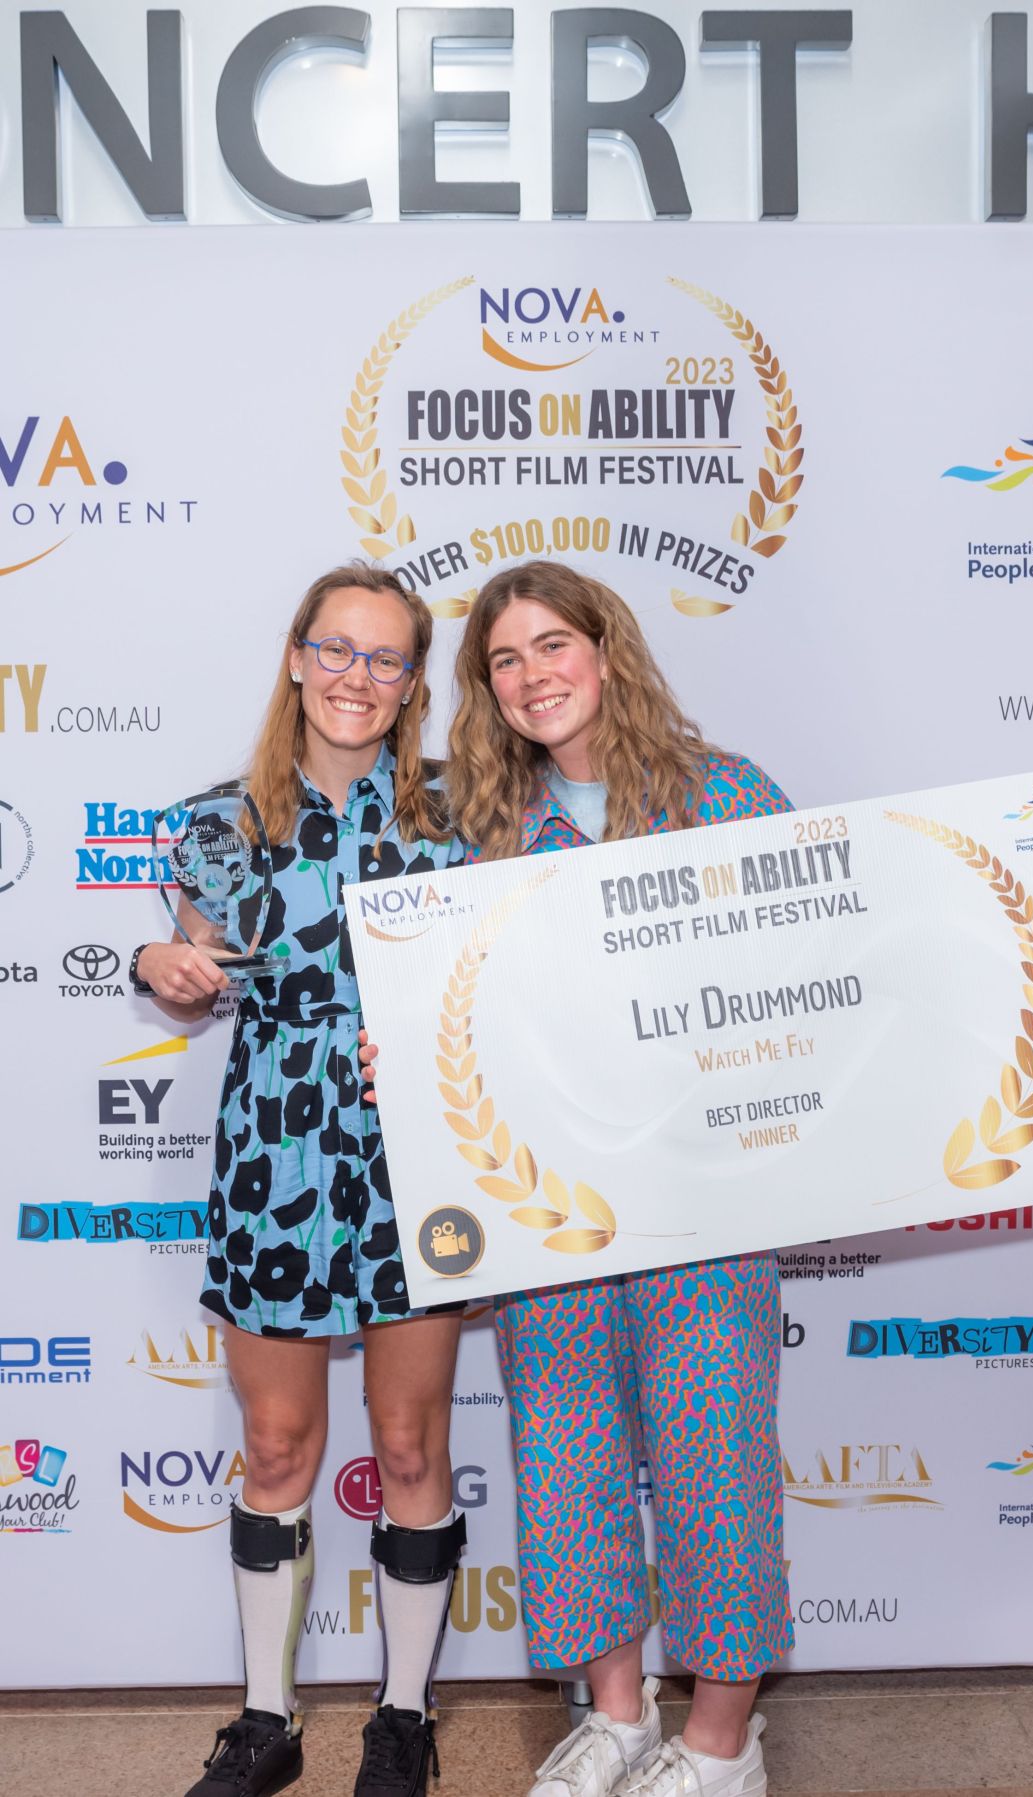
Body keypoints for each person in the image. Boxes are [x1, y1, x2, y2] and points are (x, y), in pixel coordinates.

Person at [364, 560, 793, 1797]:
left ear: (609, 652)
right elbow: (447, 1016)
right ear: (485, 689)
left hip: (709, 1201)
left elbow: (823, 977)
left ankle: (721, 1740)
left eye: (554, 645)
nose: (532, 674)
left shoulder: (727, 793)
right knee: (566, 1457)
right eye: (504, 660)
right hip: (548, 1210)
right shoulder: (480, 827)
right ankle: (617, 1717)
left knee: (718, 1463)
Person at [131, 563, 466, 1797]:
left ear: (413, 682)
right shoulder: (216, 824)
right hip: (275, 1159)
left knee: (408, 1442)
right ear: (295, 657)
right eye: (337, 649)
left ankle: (404, 1716)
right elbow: (192, 955)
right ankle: (267, 1723)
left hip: (419, 1165)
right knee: (275, 1443)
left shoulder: (455, 816)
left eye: (384, 659)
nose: (355, 677)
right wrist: (158, 955)